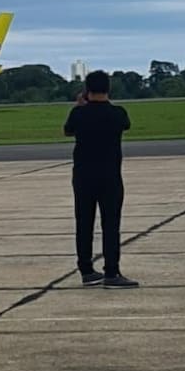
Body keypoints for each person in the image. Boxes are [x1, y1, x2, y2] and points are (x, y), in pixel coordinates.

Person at [63, 70, 138, 289]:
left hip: (83, 176)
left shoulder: (78, 114)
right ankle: (112, 272)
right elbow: (126, 125)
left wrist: (80, 106)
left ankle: (86, 270)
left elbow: (68, 131)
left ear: (87, 90)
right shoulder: (117, 113)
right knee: (111, 224)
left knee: (84, 223)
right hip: (110, 175)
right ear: (109, 88)